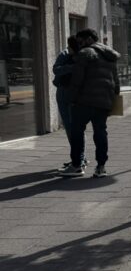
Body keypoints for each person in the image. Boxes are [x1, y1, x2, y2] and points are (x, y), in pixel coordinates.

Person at [64, 29, 120, 178]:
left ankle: (76, 165)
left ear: (88, 39)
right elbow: (116, 80)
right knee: (100, 132)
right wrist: (114, 97)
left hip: (84, 101)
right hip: (104, 102)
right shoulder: (109, 54)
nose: (79, 44)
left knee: (76, 132)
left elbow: (77, 80)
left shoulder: (84, 53)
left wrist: (71, 99)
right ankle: (101, 167)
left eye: (80, 41)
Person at [53, 35, 87, 172]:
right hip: (66, 93)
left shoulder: (82, 55)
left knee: (74, 128)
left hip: (74, 95)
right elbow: (56, 69)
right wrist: (72, 67)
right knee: (72, 128)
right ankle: (79, 158)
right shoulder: (66, 54)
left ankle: (79, 160)